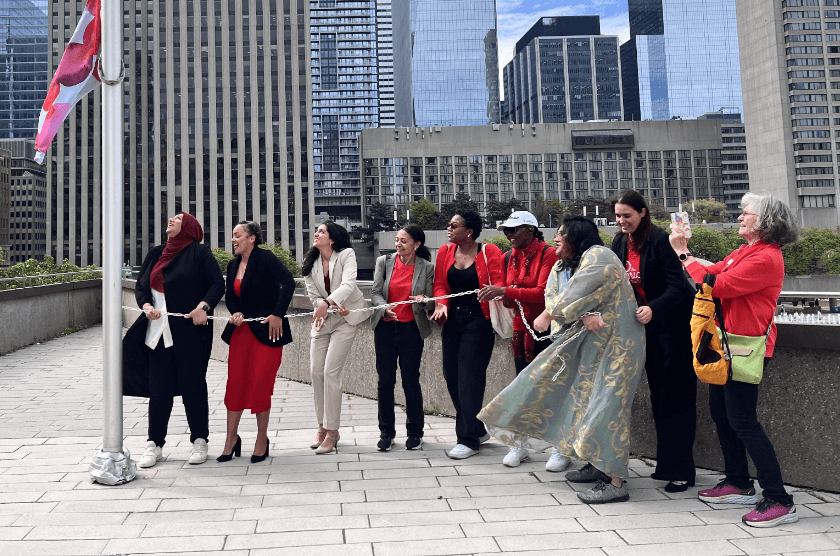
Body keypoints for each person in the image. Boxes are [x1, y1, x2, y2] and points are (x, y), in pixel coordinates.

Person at [479, 215, 646, 504]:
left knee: (608, 411)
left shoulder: (599, 255)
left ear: (576, 237)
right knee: (584, 405)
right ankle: (598, 467)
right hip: (597, 347)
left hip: (620, 349)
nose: (556, 238)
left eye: (562, 234)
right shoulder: (572, 263)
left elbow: (576, 292)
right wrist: (575, 314)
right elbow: (571, 297)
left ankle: (616, 481)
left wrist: (548, 314)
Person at [670, 192, 799, 528]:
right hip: (727, 346)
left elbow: (716, 285)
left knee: (742, 420)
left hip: (746, 348)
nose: (740, 217)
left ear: (766, 221)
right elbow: (711, 270)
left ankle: (779, 498)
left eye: (746, 213)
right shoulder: (746, 251)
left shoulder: (766, 258)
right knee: (722, 414)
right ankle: (739, 481)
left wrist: (684, 253)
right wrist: (686, 252)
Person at [610, 191, 698, 492]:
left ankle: (683, 471)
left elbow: (678, 287)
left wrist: (654, 308)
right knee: (658, 397)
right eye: (618, 216)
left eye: (627, 216)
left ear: (642, 213)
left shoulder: (658, 240)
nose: (621, 221)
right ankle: (666, 465)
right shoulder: (620, 242)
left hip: (673, 327)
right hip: (645, 330)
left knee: (677, 397)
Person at [122, 212, 225, 468]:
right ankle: (154, 444)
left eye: (178, 218)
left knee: (193, 386)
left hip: (189, 331)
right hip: (156, 332)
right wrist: (146, 305)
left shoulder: (199, 253)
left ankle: (200, 440)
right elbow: (141, 287)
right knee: (159, 390)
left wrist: (204, 306)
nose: (171, 219)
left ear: (188, 227)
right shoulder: (156, 253)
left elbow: (216, 285)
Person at [476, 211, 565, 471]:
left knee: (553, 388)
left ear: (531, 230)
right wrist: (501, 294)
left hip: (546, 329)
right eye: (507, 231)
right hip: (520, 329)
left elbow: (542, 293)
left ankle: (560, 447)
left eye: (514, 231)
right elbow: (510, 297)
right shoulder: (509, 256)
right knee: (522, 389)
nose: (509, 235)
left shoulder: (548, 254)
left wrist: (504, 291)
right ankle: (521, 444)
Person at [218, 221, 296, 464]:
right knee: (236, 384)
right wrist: (236, 312)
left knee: (260, 382)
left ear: (252, 238)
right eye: (232, 236)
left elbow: (289, 282)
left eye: (237, 235)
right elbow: (231, 297)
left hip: (267, 332)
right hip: (241, 332)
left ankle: (261, 439)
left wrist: (278, 314)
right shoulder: (232, 265)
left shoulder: (266, 258)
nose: (233, 239)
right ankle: (231, 439)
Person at [432, 210, 505, 460]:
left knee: (469, 378)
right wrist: (441, 303)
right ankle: (475, 428)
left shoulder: (490, 252)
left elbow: (497, 283)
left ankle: (467, 439)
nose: (449, 229)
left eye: (454, 225)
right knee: (451, 375)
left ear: (469, 231)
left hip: (479, 321)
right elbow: (440, 284)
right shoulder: (445, 252)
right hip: (452, 320)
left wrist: (493, 291)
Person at [303, 221, 367, 454]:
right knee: (316, 371)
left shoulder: (346, 254)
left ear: (332, 239)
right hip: (323, 320)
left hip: (346, 318)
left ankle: (332, 432)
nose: (316, 234)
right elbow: (311, 294)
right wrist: (323, 307)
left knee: (331, 372)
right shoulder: (310, 263)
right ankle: (321, 426)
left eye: (321, 231)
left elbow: (349, 284)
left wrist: (329, 302)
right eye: (316, 230)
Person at [370, 225, 435, 451]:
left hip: (412, 330)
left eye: (404, 241)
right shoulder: (384, 263)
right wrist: (383, 307)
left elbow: (433, 301)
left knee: (410, 380)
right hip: (386, 328)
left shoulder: (426, 267)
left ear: (416, 244)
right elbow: (375, 292)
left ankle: (415, 432)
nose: (398, 244)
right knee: (385, 381)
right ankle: (386, 432)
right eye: (397, 240)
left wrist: (424, 300)